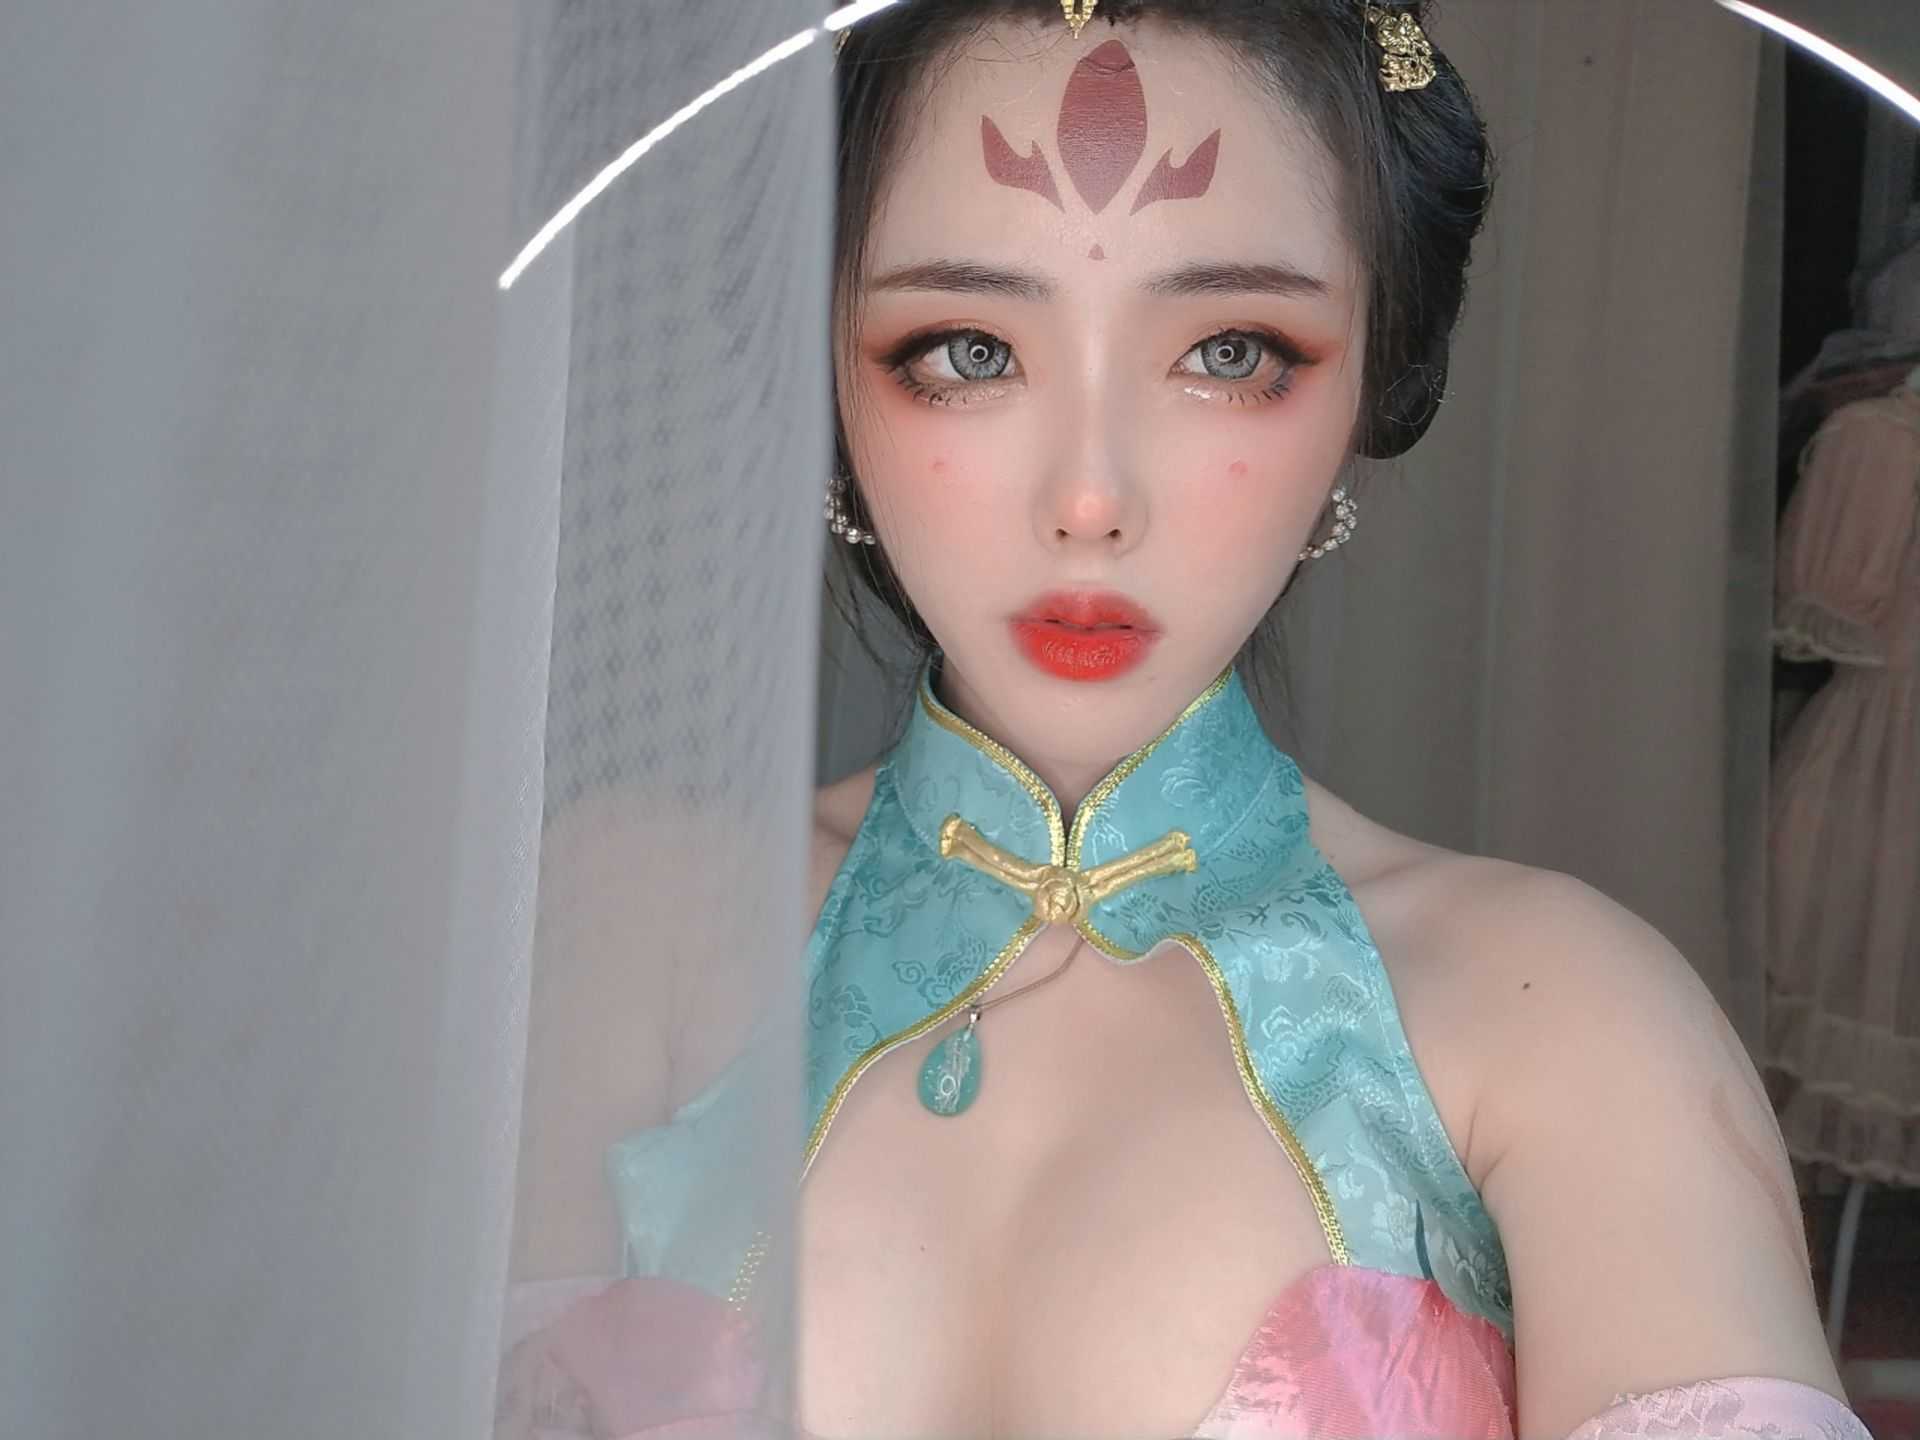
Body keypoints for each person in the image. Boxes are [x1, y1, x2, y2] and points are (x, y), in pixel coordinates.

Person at [498, 3, 1868, 1436]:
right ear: (827, 372)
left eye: (1227, 351)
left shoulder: (1563, 1019)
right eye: (966, 349)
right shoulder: (634, 927)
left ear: (1375, 375)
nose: (1091, 498)